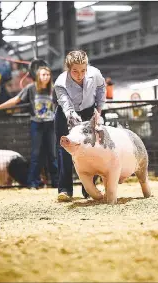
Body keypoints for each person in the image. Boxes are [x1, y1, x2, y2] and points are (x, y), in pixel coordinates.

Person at [0, 66, 58, 189]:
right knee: (36, 154)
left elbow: (63, 102)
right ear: (38, 76)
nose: (45, 77)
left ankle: (56, 182)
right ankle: (32, 182)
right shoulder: (31, 88)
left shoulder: (53, 89)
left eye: (47, 75)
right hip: (37, 124)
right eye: (43, 74)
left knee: (52, 154)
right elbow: (16, 100)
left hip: (50, 124)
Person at [54, 50, 106, 202]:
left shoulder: (95, 73)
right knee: (64, 150)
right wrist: (71, 114)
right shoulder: (60, 82)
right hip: (65, 114)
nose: (80, 74)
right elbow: (64, 103)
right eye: (75, 71)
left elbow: (102, 88)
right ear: (68, 69)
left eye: (83, 70)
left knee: (92, 148)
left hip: (89, 111)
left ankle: (89, 188)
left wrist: (99, 109)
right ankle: (64, 190)